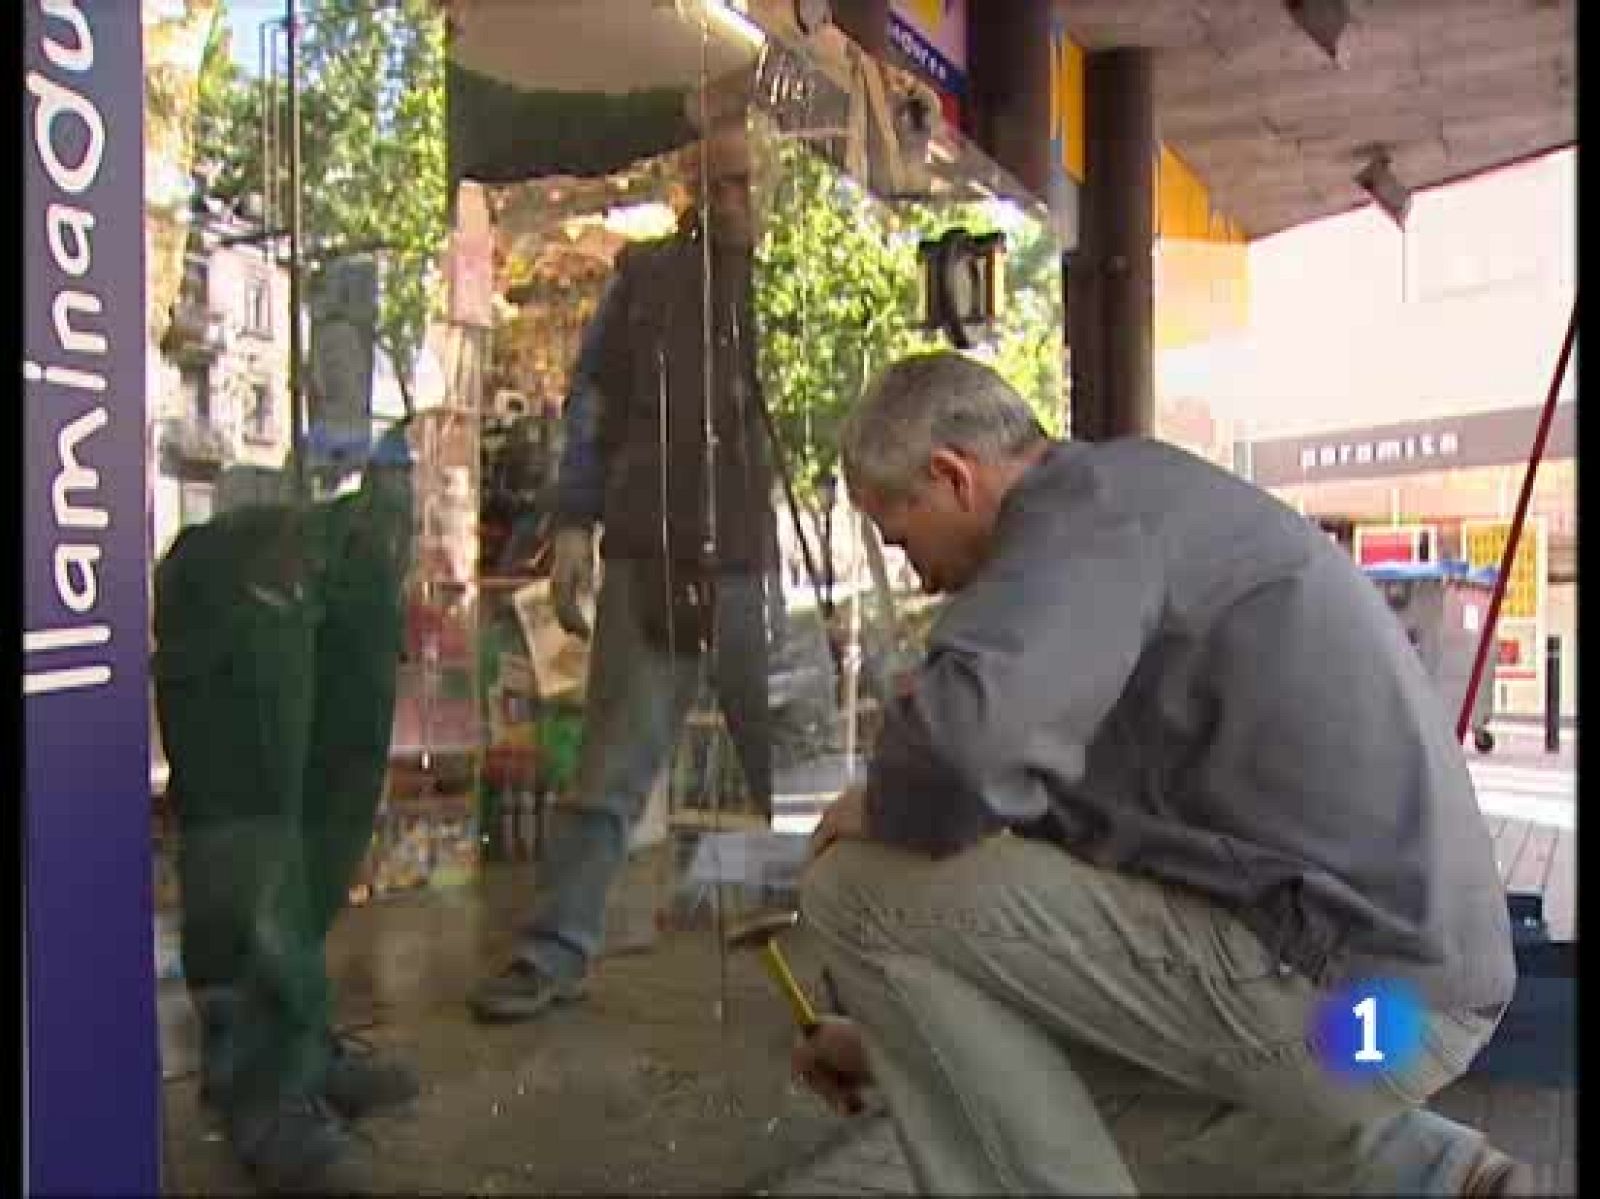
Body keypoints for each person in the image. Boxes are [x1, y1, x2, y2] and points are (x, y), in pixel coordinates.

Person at [788, 350, 1529, 1196]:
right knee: (1024, 1070)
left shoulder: (1078, 525)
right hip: (1398, 1021)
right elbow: (1072, 933)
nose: (918, 574)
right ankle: (1418, 1172)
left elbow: (964, 753)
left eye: (902, 535)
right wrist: (889, 1038)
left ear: (953, 477)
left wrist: (879, 802)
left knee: (857, 888)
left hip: (1354, 1006)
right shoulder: (1139, 504)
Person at [469, 120, 780, 1022]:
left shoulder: (784, 287)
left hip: (753, 559)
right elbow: (593, 404)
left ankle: (855, 950)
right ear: (692, 186)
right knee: (608, 773)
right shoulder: (645, 278)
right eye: (718, 184)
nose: (732, 202)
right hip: (653, 551)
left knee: (792, 771)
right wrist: (573, 524)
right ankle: (553, 951)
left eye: (746, 185)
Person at [153, 423, 419, 1192]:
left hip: (359, 461)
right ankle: (259, 1068)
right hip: (257, 482)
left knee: (336, 777)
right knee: (250, 778)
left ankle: (296, 1030)